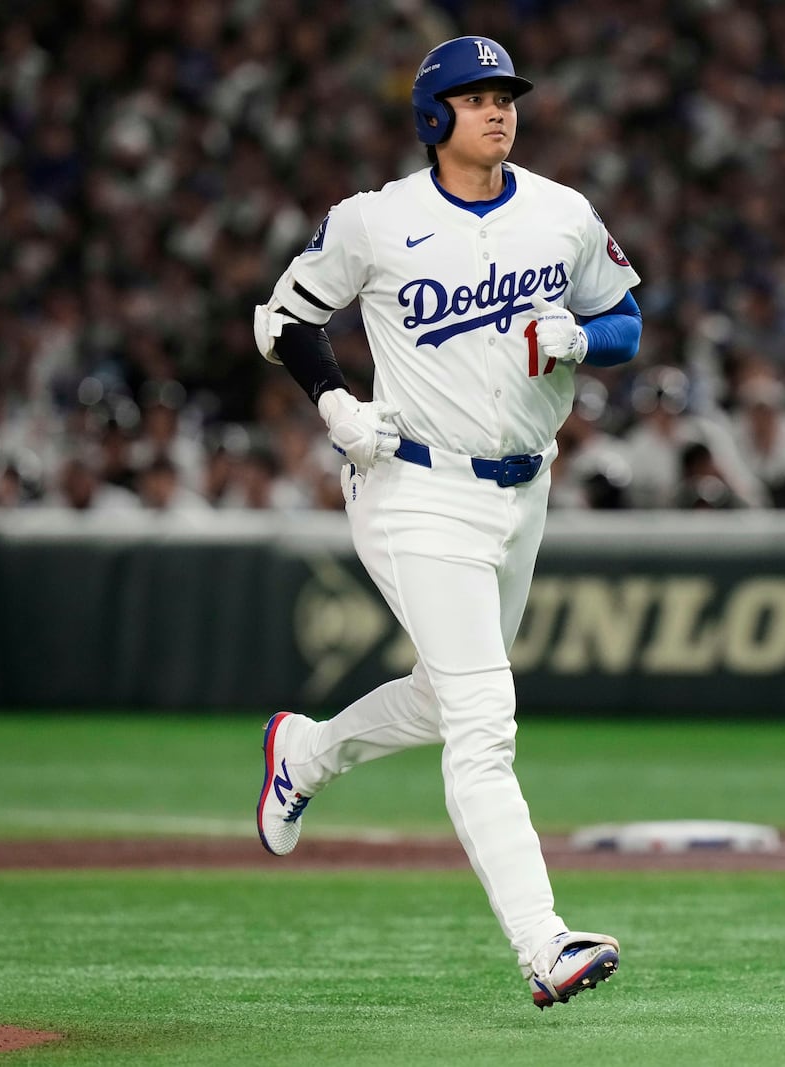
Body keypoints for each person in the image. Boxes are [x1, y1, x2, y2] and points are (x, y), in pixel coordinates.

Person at [249, 36, 641, 1009]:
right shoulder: (376, 221)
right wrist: (336, 404)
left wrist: (585, 336)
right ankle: (543, 941)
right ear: (434, 116)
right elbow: (283, 318)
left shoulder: (561, 214)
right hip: (413, 487)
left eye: (505, 94)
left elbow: (629, 319)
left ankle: (305, 751)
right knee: (482, 719)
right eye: (473, 97)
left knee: (445, 694)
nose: (497, 110)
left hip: (523, 489)